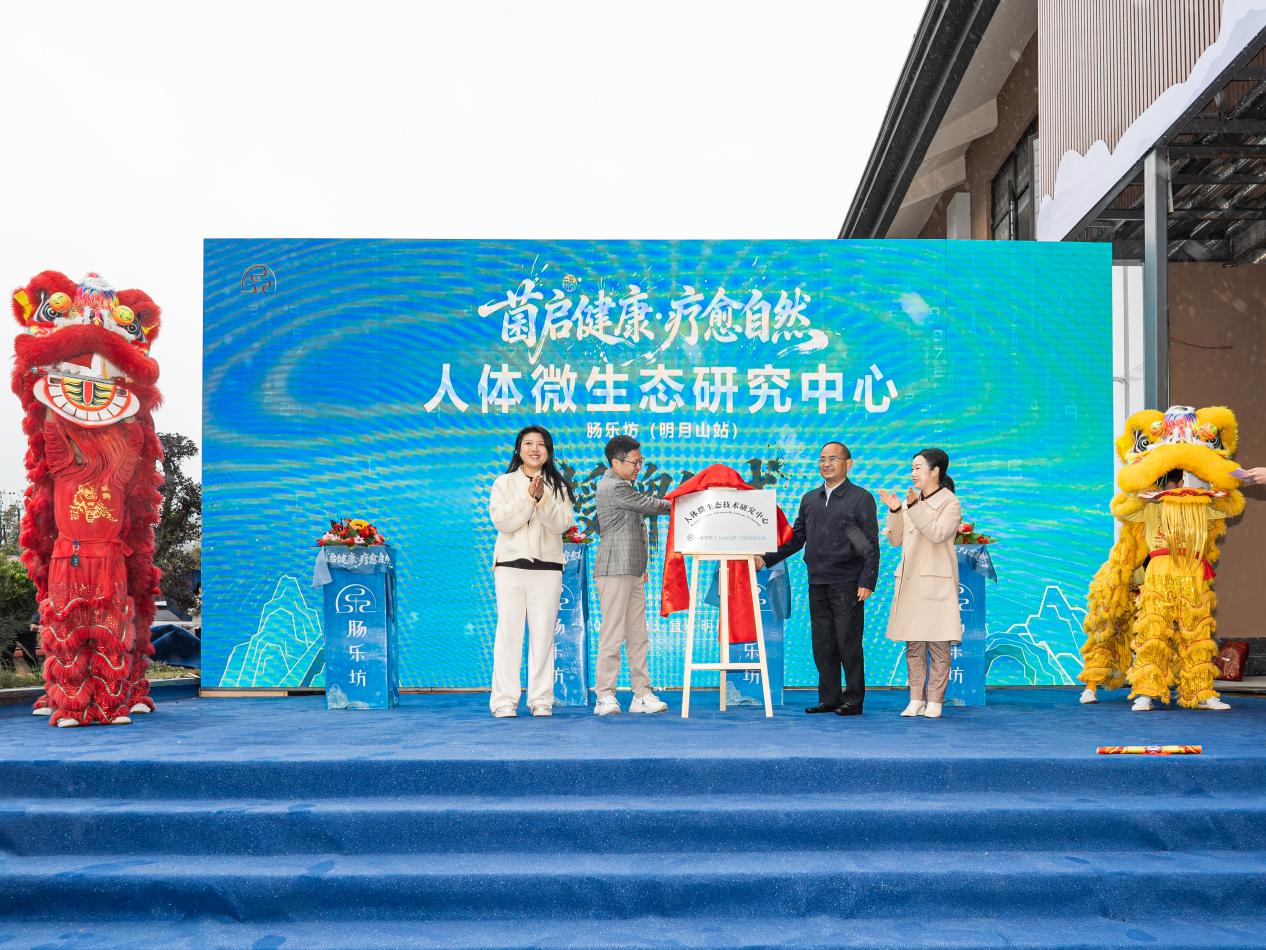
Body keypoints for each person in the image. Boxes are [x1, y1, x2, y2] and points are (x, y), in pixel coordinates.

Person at [759, 442, 879, 716]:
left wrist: (867, 580)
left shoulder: (860, 498)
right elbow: (797, 538)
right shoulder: (810, 499)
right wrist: (765, 558)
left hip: (848, 581)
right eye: (822, 459)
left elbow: (869, 544)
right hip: (817, 580)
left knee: (848, 641)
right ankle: (829, 698)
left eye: (833, 459)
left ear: (848, 464)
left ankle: (853, 699)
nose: (826, 464)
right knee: (822, 643)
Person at [488, 426, 575, 718]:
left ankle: (541, 699)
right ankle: (504, 701)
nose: (534, 449)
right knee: (509, 634)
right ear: (518, 449)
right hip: (510, 568)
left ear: (549, 451)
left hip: (547, 569)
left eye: (541, 444)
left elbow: (561, 524)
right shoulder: (504, 483)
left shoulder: (559, 486)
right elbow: (503, 521)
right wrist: (527, 498)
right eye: (528, 443)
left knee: (543, 636)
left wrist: (542, 499)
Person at [878, 448, 963, 719]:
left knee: (938, 644)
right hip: (911, 581)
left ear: (935, 471)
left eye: (918, 468)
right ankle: (916, 698)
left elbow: (938, 534)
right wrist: (895, 510)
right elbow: (895, 540)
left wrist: (913, 507)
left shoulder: (950, 503)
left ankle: (935, 700)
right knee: (914, 645)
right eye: (912, 468)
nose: (913, 473)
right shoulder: (911, 501)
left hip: (935, 583)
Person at [593, 435, 673, 716]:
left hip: (633, 570)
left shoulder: (624, 485)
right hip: (614, 569)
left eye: (641, 462)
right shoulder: (613, 486)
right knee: (613, 634)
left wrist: (641, 567)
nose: (639, 467)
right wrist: (682, 501)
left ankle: (642, 693)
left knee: (638, 634)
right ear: (616, 462)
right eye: (635, 462)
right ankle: (604, 694)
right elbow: (652, 505)